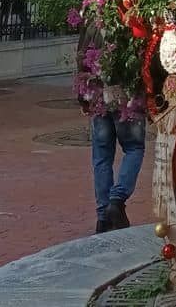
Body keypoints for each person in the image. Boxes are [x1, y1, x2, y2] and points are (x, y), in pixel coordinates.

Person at [76, 19, 147, 234]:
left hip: (98, 96)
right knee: (134, 148)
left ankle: (103, 217)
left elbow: (81, 57)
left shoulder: (93, 20)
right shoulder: (130, 16)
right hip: (126, 96)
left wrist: (83, 95)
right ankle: (116, 200)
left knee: (102, 155)